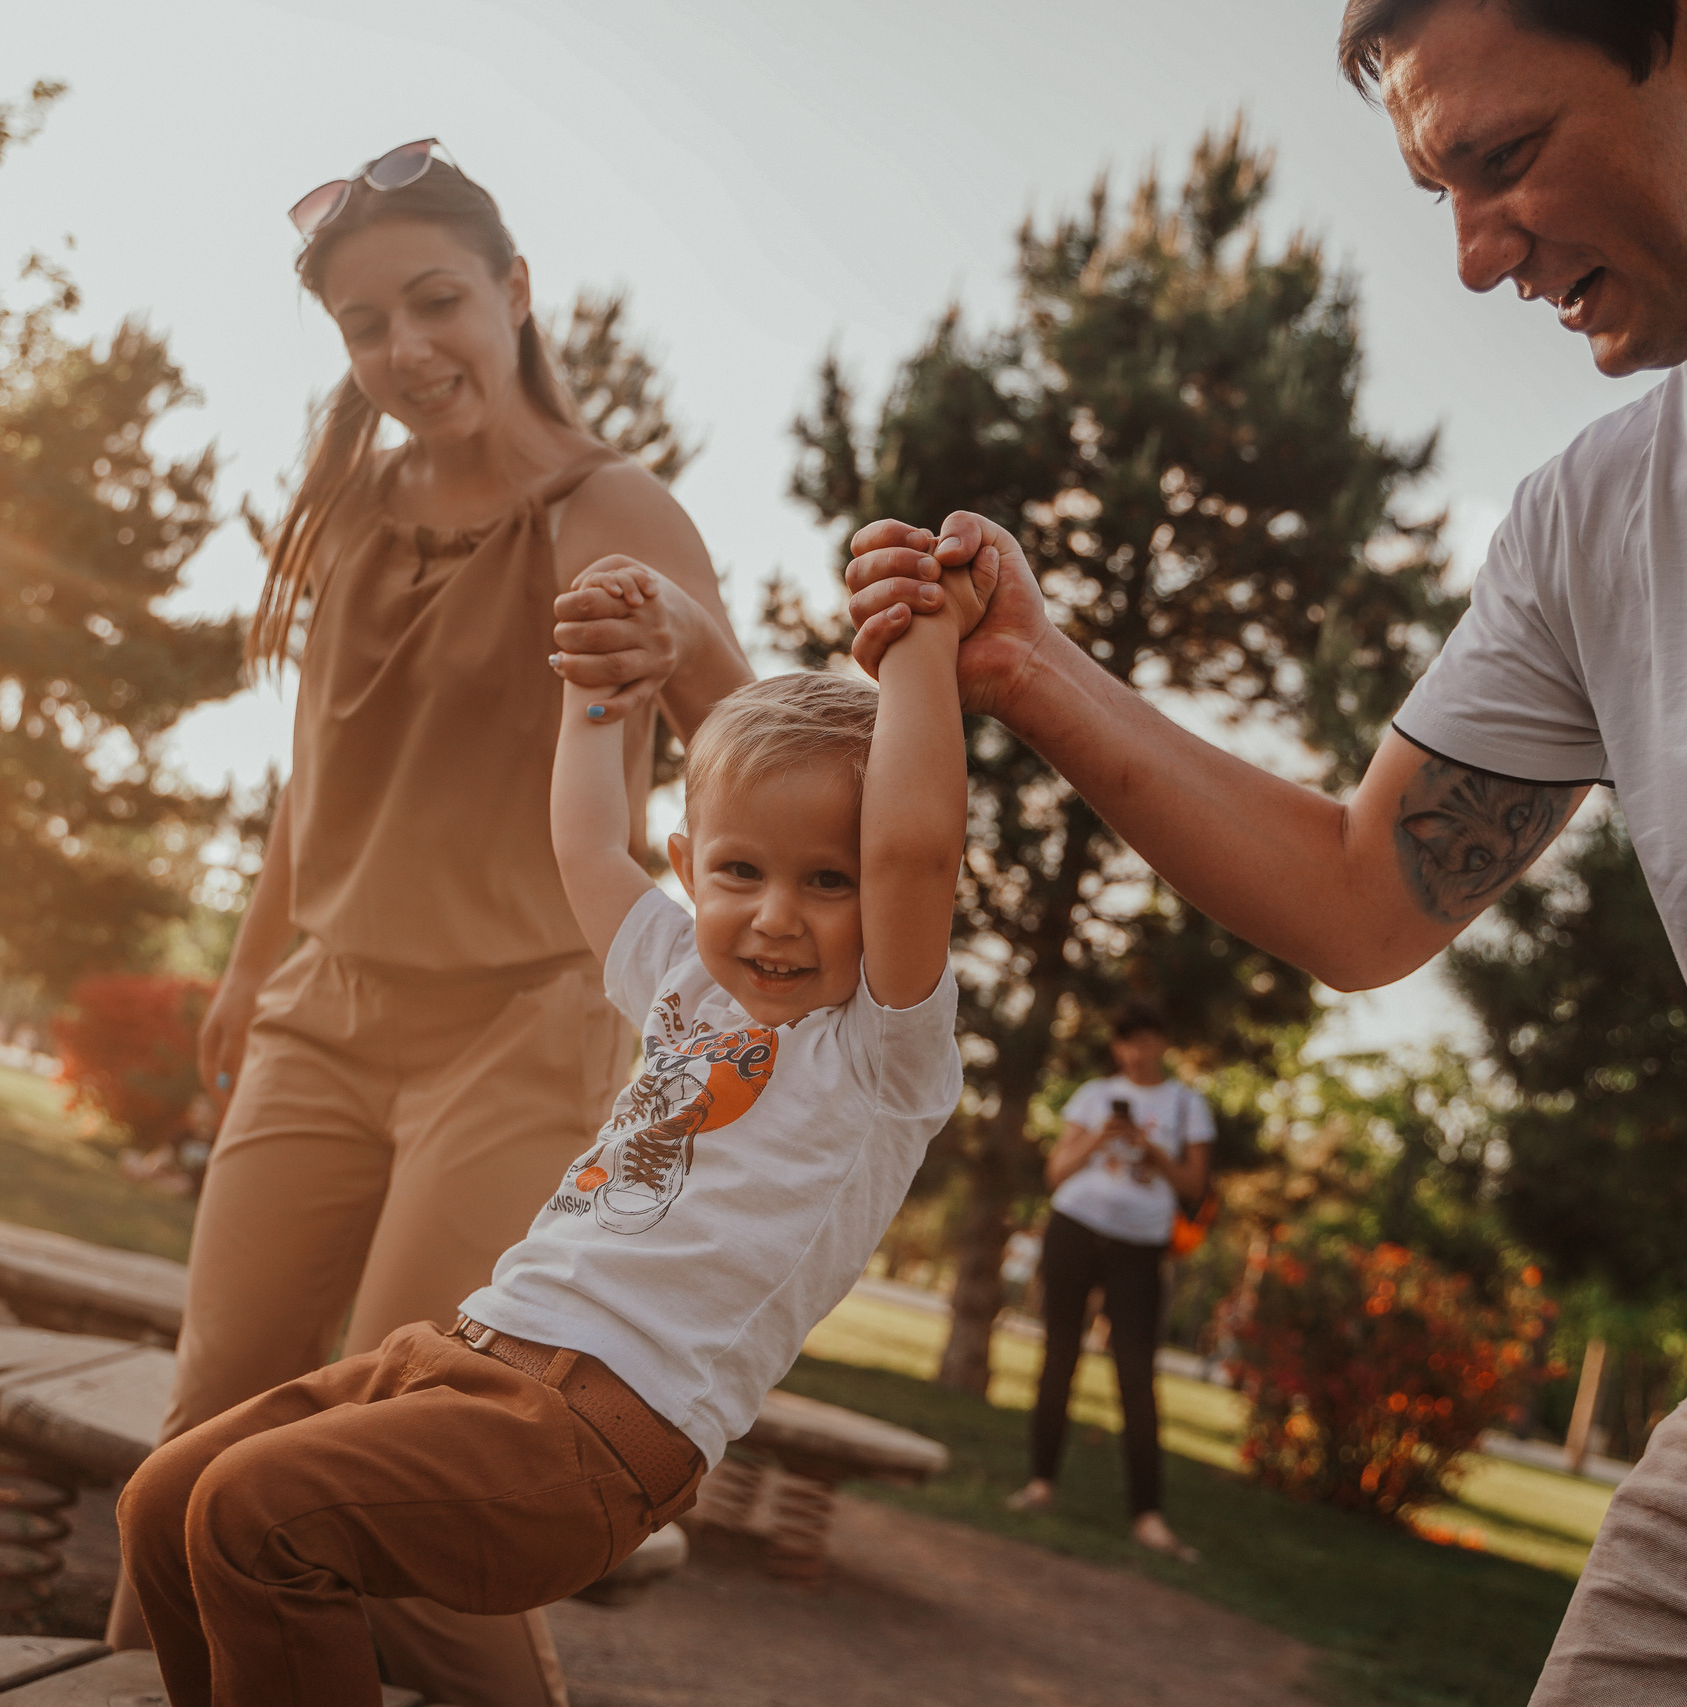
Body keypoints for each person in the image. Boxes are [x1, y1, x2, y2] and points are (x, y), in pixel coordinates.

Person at [843, 1, 1687, 1698]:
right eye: (1440, 188)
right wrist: (1032, 670)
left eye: (1505, 163)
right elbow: (1363, 897)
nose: (1469, 257)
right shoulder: (1590, 523)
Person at [107, 141, 751, 1704]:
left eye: (438, 300)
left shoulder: (614, 506)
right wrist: (257, 965)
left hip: (524, 1028)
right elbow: (318, 766)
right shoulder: (350, 507)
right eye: (363, 322)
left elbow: (756, 758)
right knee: (207, 1421)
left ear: (516, 295)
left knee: (387, 1460)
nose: (404, 349)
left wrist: (685, 646)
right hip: (324, 1014)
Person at [118, 558, 977, 1707]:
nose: (775, 916)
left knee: (254, 1516)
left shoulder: (878, 1052)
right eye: (740, 871)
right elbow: (582, 842)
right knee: (170, 1496)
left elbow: (917, 845)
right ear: (688, 868)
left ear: (887, 894)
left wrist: (920, 634)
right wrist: (594, 693)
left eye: (830, 880)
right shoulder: (681, 978)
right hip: (459, 1360)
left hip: (591, 1440)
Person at [1006, 1000, 1209, 1561]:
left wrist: (1150, 1149)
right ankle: (1040, 1483)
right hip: (1075, 1229)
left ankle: (1149, 1516)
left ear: (1162, 1041)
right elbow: (1056, 1172)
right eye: (1125, 1042)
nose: (1134, 1052)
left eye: (1144, 1040)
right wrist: (1099, 1138)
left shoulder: (1186, 1105)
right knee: (1059, 1357)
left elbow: (1194, 1185)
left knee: (1137, 1376)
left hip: (1139, 1248)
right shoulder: (1093, 1096)